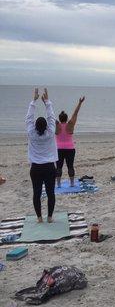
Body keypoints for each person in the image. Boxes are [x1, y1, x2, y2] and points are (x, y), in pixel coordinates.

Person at [26, 88, 58, 223]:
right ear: (46, 126)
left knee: (37, 193)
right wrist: (47, 102)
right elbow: (51, 117)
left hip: (36, 168)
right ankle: (50, 217)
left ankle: (39, 218)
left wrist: (33, 101)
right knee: (51, 193)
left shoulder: (31, 133)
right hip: (50, 167)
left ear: (34, 127)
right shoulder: (50, 132)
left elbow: (28, 118)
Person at [55, 96, 85, 188]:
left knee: (59, 167)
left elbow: (50, 114)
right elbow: (76, 113)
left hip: (59, 149)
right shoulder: (70, 125)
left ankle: (59, 184)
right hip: (70, 149)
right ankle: (72, 184)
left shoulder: (56, 125)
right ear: (67, 118)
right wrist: (80, 103)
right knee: (70, 166)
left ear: (59, 119)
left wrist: (45, 102)